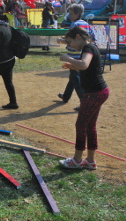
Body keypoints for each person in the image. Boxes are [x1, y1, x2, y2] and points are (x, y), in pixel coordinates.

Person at [59, 26, 109, 170]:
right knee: (90, 125)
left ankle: (77, 160)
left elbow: (85, 64)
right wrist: (72, 66)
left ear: (78, 37)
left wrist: (68, 57)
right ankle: (90, 161)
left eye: (70, 42)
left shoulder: (88, 48)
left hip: (94, 93)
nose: (69, 45)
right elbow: (86, 67)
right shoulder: (89, 48)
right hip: (100, 92)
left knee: (81, 125)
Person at [57, 4, 96, 111]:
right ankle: (66, 96)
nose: (69, 15)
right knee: (73, 77)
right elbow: (93, 39)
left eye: (71, 13)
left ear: (77, 14)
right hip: (84, 55)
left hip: (74, 56)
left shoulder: (74, 24)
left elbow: (70, 40)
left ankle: (83, 102)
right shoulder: (87, 25)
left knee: (75, 78)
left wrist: (61, 40)